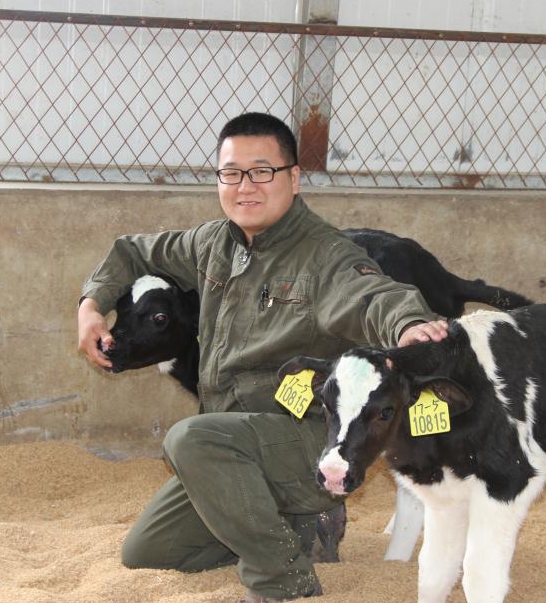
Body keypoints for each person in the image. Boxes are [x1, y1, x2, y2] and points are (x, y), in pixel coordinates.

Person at [77, 111, 448, 602]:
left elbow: (373, 295)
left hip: (306, 440)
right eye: (231, 172)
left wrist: (410, 325)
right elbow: (132, 252)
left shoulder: (326, 255)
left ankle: (283, 581)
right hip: (234, 445)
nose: (245, 186)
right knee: (149, 550)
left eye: (262, 171)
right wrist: (91, 306)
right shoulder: (213, 244)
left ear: (294, 178)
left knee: (189, 439)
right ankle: (287, 523)